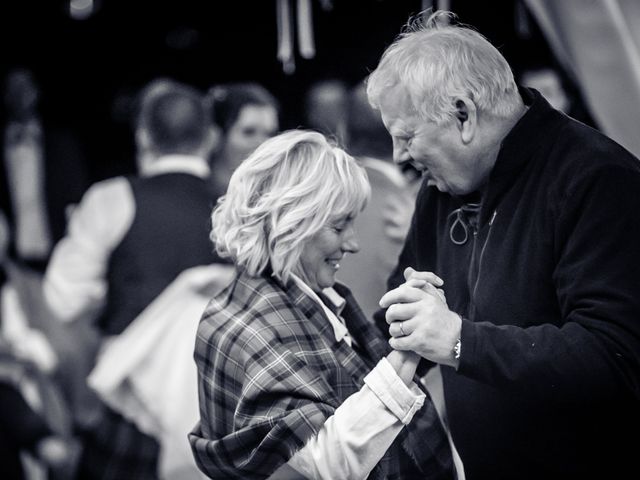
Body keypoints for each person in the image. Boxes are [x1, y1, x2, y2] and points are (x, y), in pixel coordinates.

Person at [366, 9, 640, 480]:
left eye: (406, 135)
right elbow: (398, 319)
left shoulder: (599, 180)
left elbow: (613, 357)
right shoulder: (441, 190)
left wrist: (457, 340)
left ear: (463, 115)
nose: (398, 157)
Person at [189, 129, 455, 480]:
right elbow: (329, 459)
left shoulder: (285, 297)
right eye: (340, 226)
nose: (353, 243)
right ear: (292, 223)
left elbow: (352, 381)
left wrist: (412, 326)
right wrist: (408, 351)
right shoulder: (258, 325)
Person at [44, 78, 225, 479]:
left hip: (133, 406)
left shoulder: (110, 199)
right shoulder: (239, 207)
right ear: (210, 139)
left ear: (143, 137)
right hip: (220, 408)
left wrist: (106, 292)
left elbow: (62, 300)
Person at [205, 82, 279, 194]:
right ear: (216, 136)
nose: (263, 144)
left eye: (270, 134)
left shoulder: (278, 195)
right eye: (249, 132)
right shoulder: (193, 194)